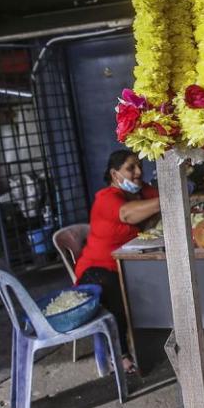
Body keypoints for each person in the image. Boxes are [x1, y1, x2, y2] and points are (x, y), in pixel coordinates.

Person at [75, 150, 161, 370]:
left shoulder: (142, 192)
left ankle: (157, 336)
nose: (138, 172)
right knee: (113, 288)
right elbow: (127, 214)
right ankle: (119, 353)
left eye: (139, 165)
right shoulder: (106, 198)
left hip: (131, 265)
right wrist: (173, 198)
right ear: (115, 174)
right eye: (130, 168)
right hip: (98, 269)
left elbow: (156, 198)